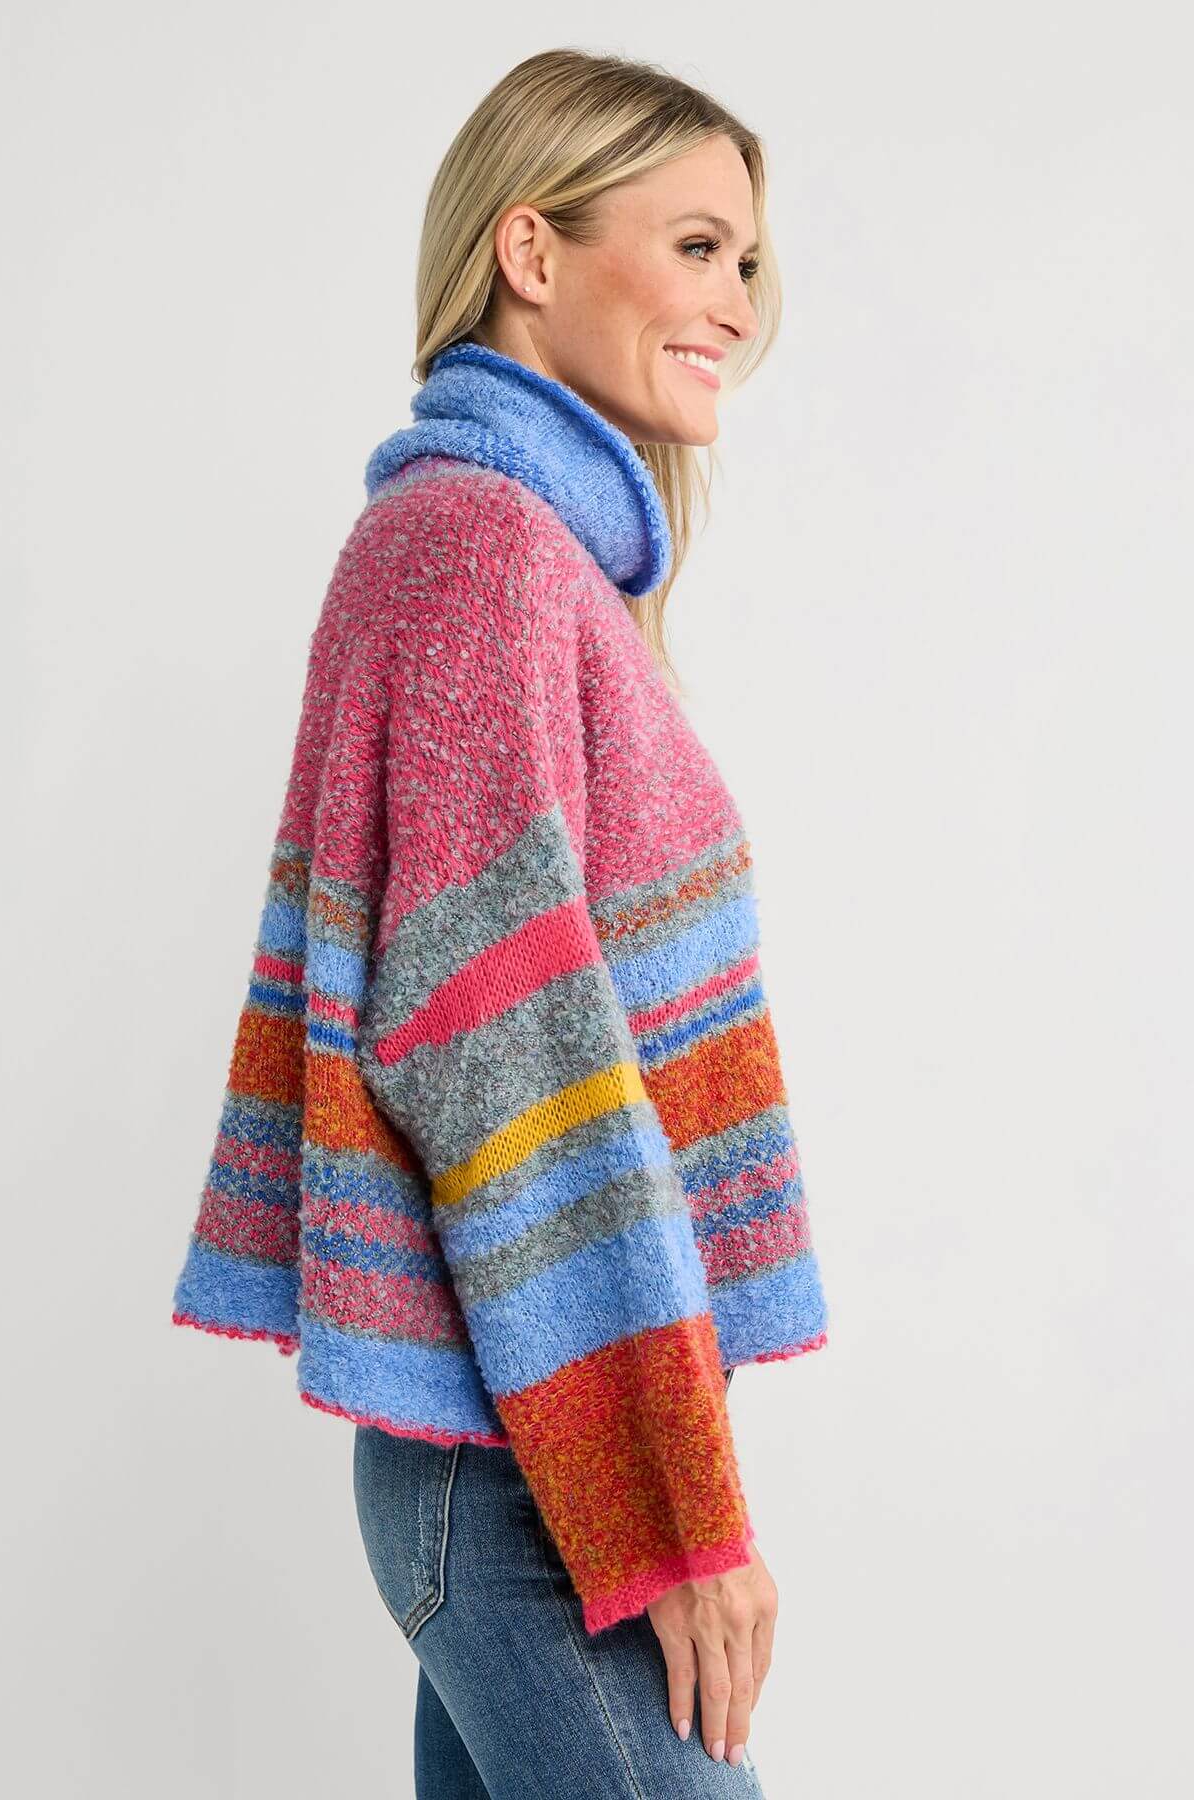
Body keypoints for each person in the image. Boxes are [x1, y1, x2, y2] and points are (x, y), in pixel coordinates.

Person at [171, 47, 828, 1799]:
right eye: (696, 248)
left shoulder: (524, 553)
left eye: (748, 262)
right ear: (532, 251)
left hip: (522, 1440)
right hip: (536, 1472)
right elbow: (500, 1047)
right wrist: (667, 1512)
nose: (737, 303)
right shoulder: (481, 553)